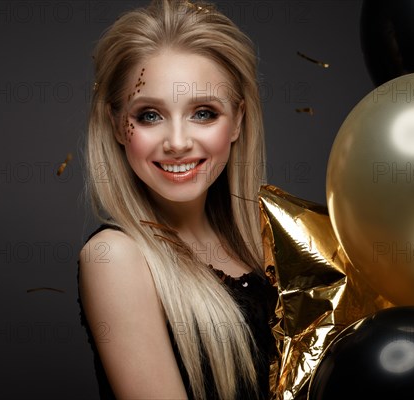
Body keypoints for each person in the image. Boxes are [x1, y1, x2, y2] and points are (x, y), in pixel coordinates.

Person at [77, 1, 277, 399]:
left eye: (203, 113)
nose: (179, 143)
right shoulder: (114, 258)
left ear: (238, 120)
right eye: (150, 115)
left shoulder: (263, 243)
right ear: (118, 125)